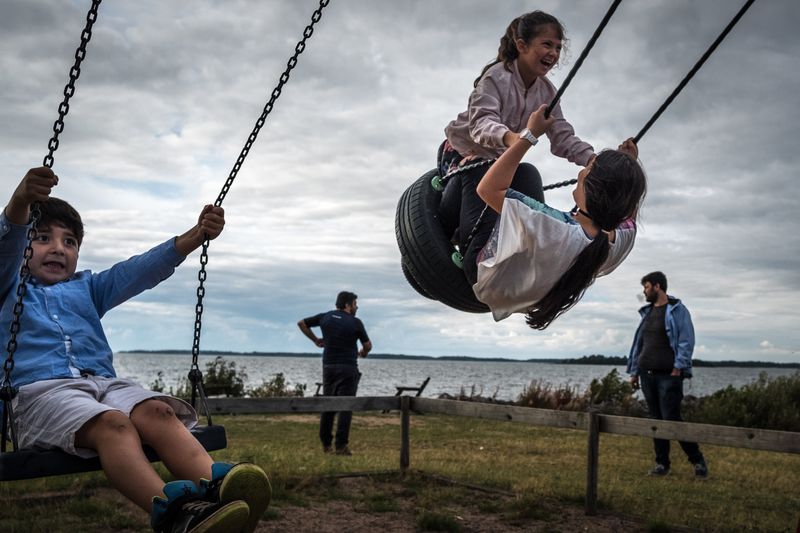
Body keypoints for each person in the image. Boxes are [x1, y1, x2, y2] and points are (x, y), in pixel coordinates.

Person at [1, 167, 271, 533]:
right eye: (43, 237)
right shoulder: (9, 288)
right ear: (26, 247)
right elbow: (7, 247)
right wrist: (20, 202)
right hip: (38, 393)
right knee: (114, 425)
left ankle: (221, 490)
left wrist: (194, 237)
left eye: (69, 242)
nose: (57, 248)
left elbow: (137, 271)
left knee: (158, 411)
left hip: (104, 385)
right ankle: (176, 515)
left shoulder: (88, 289)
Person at [471, 103, 646, 328]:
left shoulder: (549, 225)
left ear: (592, 189)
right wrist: (628, 165)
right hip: (528, 296)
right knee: (528, 177)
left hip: (487, 281)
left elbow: (487, 189)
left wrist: (529, 135)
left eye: (588, 170)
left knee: (480, 171)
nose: (582, 171)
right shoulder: (621, 239)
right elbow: (629, 212)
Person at [438, 10, 594, 242]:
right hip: (462, 153)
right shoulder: (496, 77)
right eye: (547, 44)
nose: (553, 53)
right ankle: (466, 240)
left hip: (498, 162)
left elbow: (562, 136)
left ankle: (531, 242)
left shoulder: (547, 93)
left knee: (528, 173)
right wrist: (516, 139)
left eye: (558, 47)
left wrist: (592, 159)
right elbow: (481, 123)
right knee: (478, 168)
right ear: (522, 45)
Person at [627, 271, 708, 478]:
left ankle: (697, 460)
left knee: (671, 418)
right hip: (647, 373)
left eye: (646, 287)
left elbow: (686, 340)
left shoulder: (678, 311)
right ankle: (662, 464)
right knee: (655, 419)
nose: (644, 292)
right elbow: (640, 345)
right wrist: (635, 372)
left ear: (657, 286)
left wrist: (677, 368)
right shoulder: (646, 313)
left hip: (668, 374)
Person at [297, 291, 371, 456]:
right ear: (348, 305)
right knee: (346, 406)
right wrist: (363, 353)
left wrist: (316, 340)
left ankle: (326, 444)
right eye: (355, 304)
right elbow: (368, 345)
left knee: (328, 404)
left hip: (329, 367)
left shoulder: (325, 317)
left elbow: (301, 323)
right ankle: (341, 446)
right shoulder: (356, 322)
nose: (357, 306)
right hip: (348, 367)